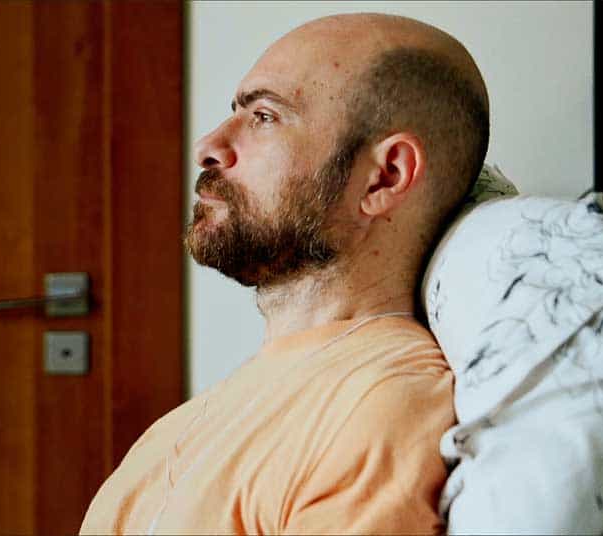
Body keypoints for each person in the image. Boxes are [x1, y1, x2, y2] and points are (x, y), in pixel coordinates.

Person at [80, 13, 489, 535]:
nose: (208, 146)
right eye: (235, 111)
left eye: (264, 116)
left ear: (384, 177)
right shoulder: (203, 412)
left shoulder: (377, 405)